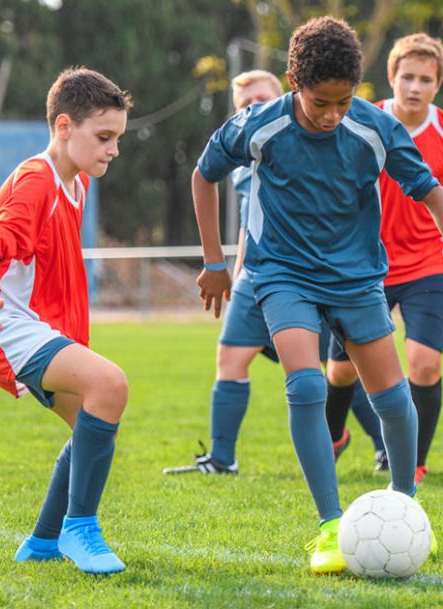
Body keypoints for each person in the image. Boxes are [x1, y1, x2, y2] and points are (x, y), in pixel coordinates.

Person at [191, 17, 443, 574]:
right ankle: (330, 526)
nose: (333, 114)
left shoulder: (375, 129)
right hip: (282, 274)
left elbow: (435, 193)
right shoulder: (257, 125)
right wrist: (215, 261)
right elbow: (204, 173)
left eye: (343, 101)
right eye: (320, 102)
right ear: (294, 82)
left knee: (393, 399)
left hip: (358, 279)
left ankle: (406, 507)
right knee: (308, 383)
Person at [163, 70, 383, 475]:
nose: (253, 108)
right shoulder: (244, 156)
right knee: (230, 356)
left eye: (260, 98)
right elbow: (242, 214)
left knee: (328, 372)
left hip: (305, 274)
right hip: (254, 275)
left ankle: (383, 444)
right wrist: (227, 267)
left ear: (285, 93)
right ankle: (222, 458)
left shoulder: (303, 141)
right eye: (245, 105)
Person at [0, 68, 133, 574]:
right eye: (104, 137)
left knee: (90, 423)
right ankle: (79, 529)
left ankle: (41, 541)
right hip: (8, 328)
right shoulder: (36, 180)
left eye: (118, 139)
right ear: (63, 126)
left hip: (40, 327)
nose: (113, 150)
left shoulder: (75, 183)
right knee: (112, 385)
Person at [323, 33, 443, 485]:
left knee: (424, 363)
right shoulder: (359, 118)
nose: (414, 86)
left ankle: (413, 464)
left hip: (425, 267)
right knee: (340, 371)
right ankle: (336, 436)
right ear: (391, 77)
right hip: (362, 267)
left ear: (437, 85)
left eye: (425, 79)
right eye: (407, 77)